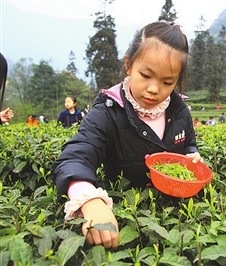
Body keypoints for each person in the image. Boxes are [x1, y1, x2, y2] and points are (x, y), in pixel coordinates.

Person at [52, 22, 202, 249]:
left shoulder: (179, 110)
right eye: (146, 75)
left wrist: (192, 156)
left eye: (167, 82)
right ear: (129, 65)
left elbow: (189, 143)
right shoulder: (108, 112)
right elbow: (74, 158)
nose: (154, 89)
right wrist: (90, 200)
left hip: (176, 223)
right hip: (126, 221)